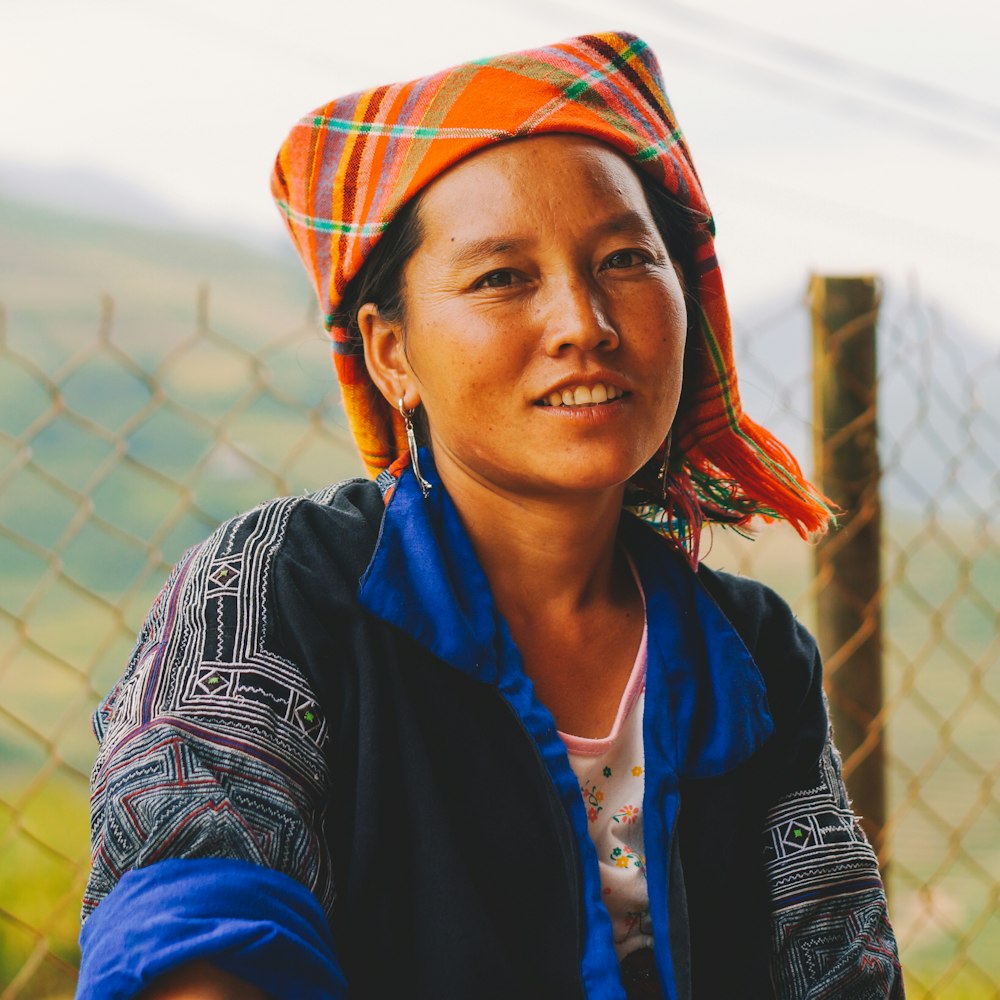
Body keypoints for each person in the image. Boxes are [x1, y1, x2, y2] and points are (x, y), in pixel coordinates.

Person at [76, 31, 904, 1000]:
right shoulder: (279, 585)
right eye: (503, 277)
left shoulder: (750, 647)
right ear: (392, 354)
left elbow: (835, 960)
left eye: (626, 259)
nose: (583, 323)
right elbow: (194, 928)